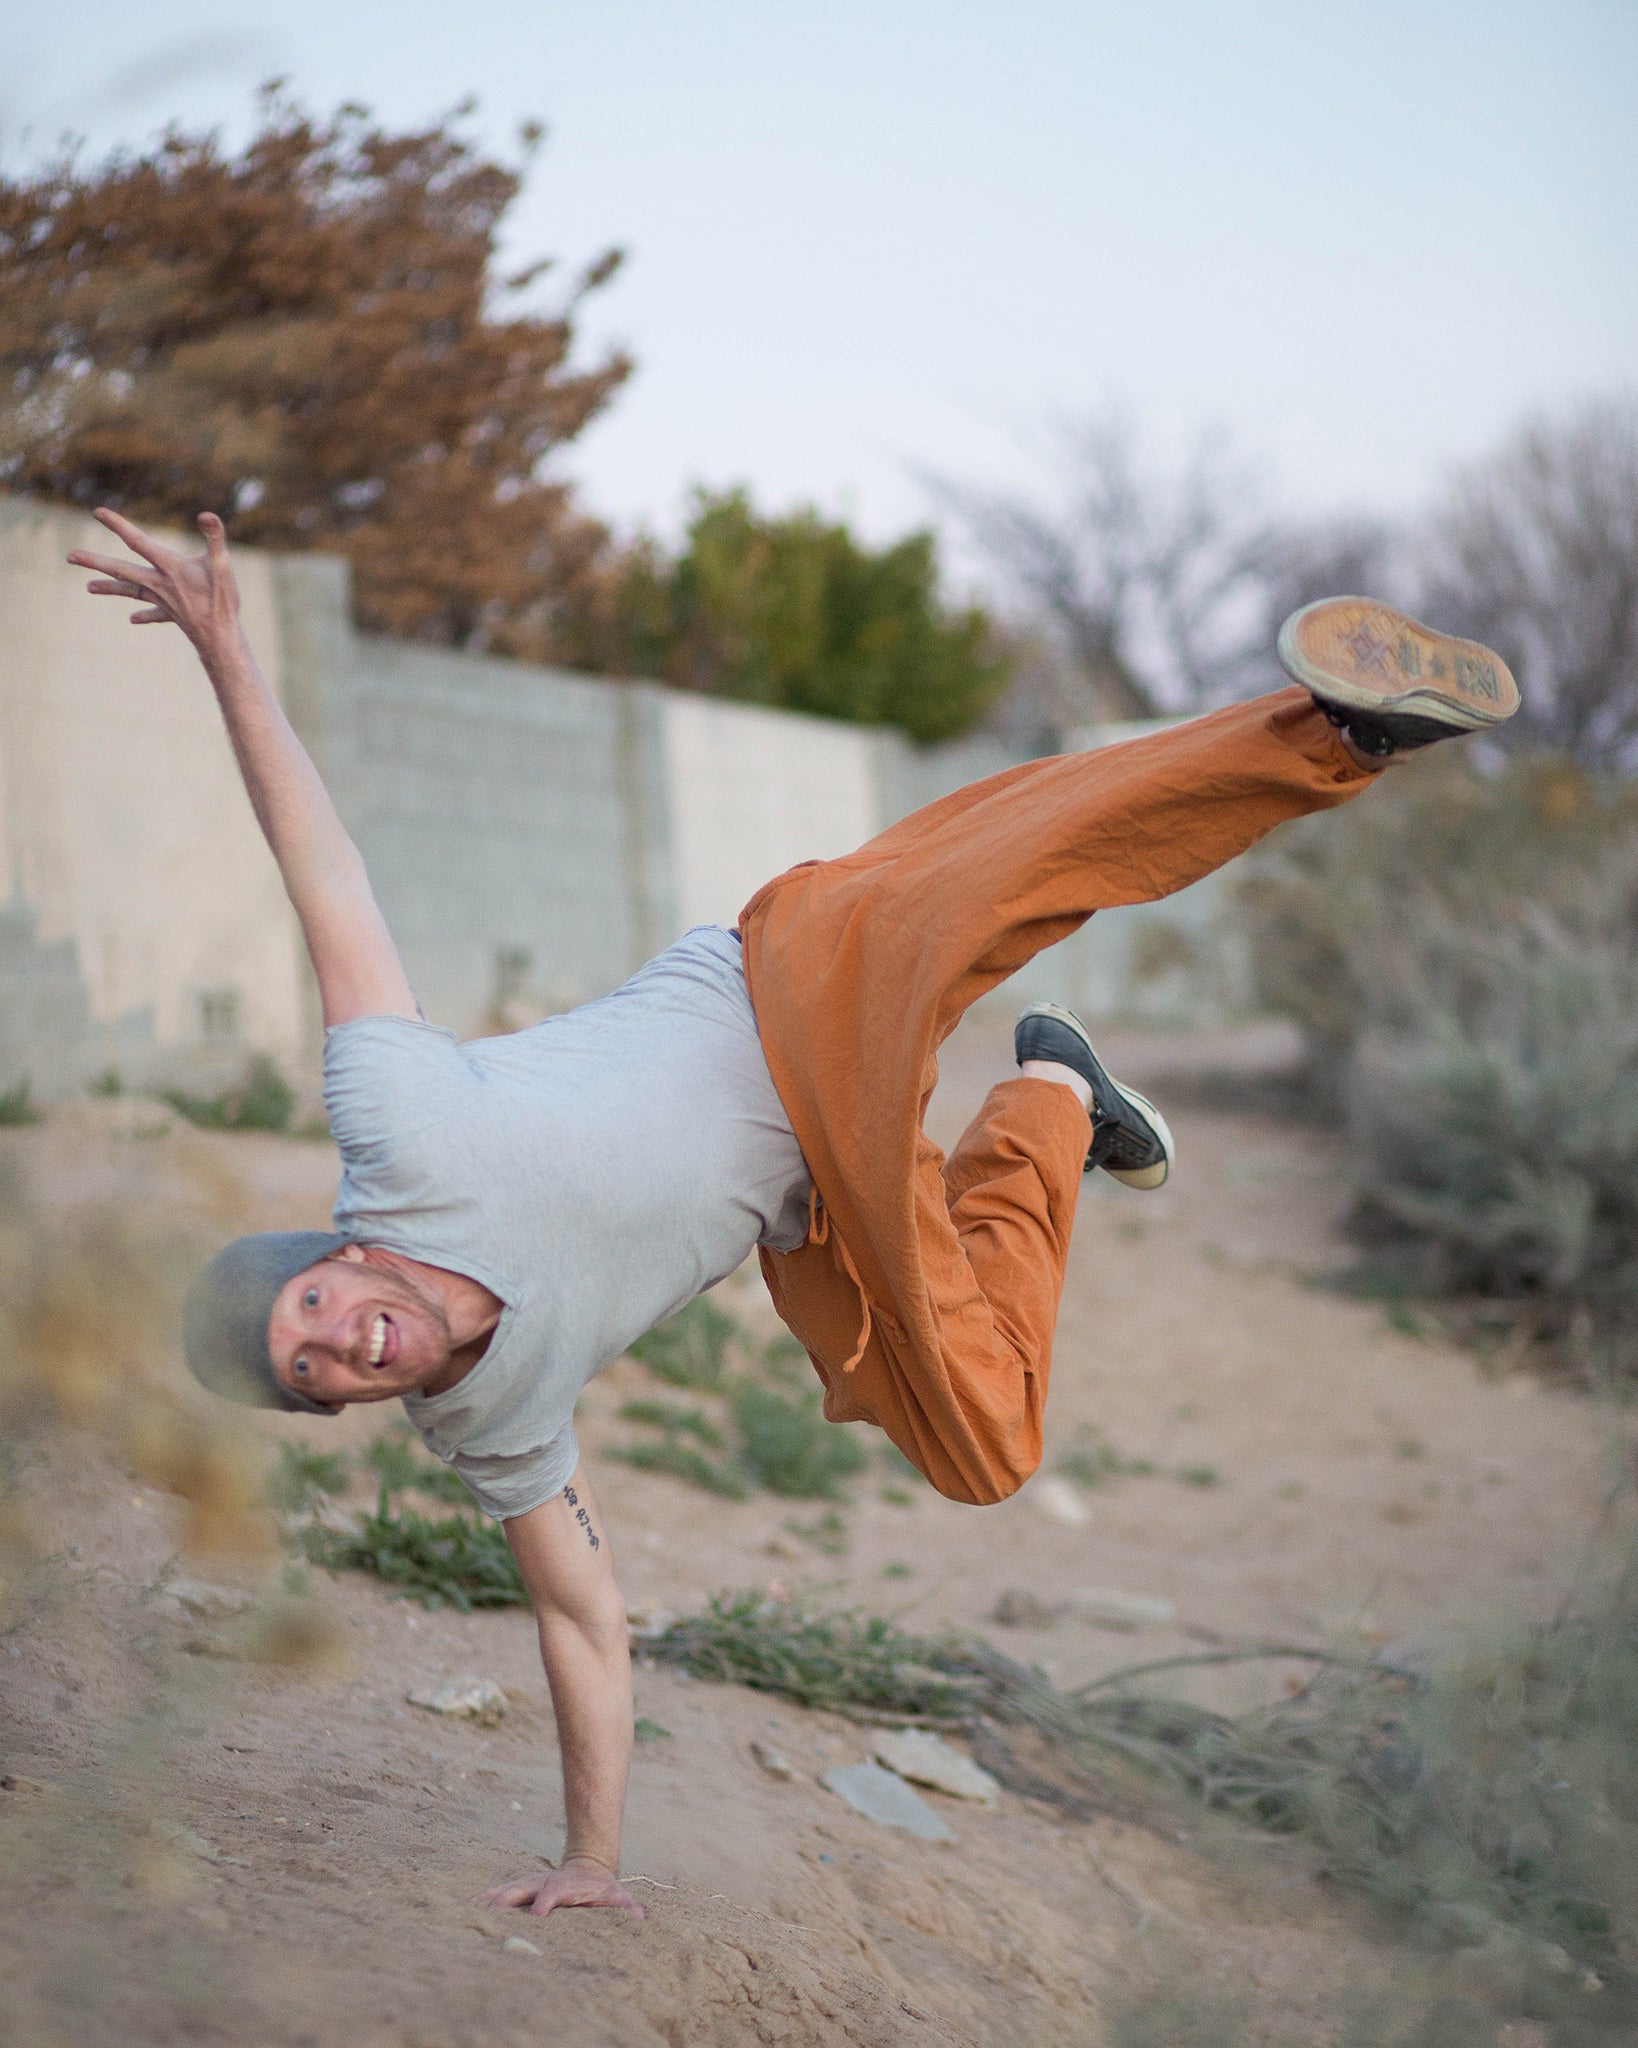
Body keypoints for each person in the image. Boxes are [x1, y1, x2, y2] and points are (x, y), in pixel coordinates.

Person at [70, 507, 1519, 1920]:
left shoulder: (398, 1131)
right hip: (817, 1193)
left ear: (336, 1253)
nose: (339, 1342)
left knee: (1015, 866)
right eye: (311, 1370)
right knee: (979, 1440)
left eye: (311, 1306)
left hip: (791, 979)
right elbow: (581, 1620)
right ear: (341, 1410)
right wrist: (593, 1857)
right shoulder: (486, 1421)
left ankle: (1339, 728)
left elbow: (327, 875)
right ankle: (1054, 1100)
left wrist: (227, 659)